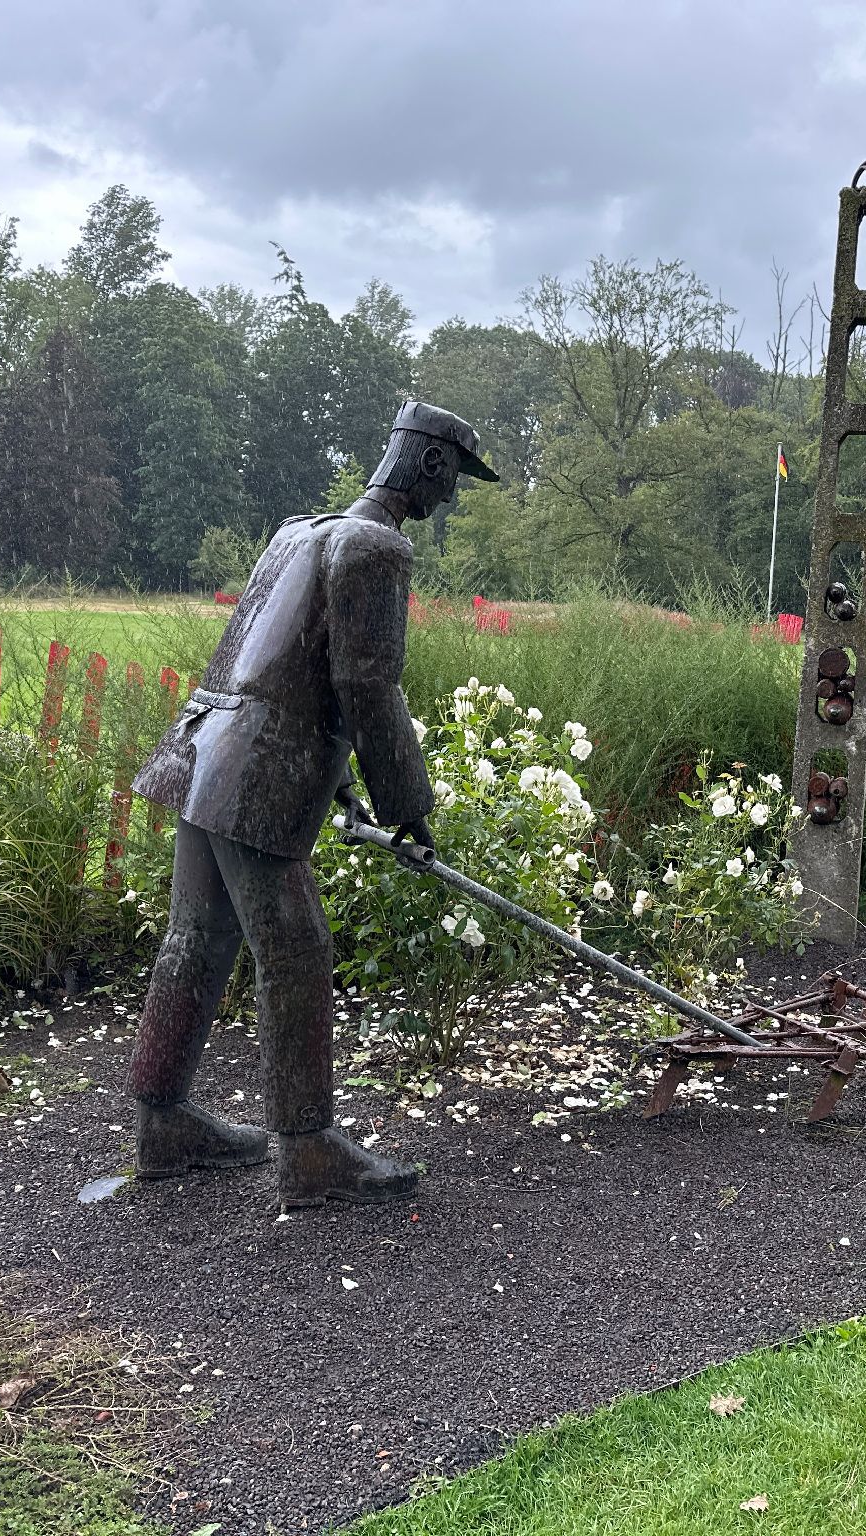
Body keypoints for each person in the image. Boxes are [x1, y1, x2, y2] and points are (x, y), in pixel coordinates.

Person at [127, 402, 499, 1208]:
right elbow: (367, 685)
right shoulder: (377, 547)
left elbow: (275, 666)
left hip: (204, 752)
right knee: (296, 950)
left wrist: (341, 785)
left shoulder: (299, 530)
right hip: (254, 776)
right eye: (455, 480)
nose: (451, 499)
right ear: (430, 463)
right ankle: (307, 1150)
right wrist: (408, 805)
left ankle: (162, 1122)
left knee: (197, 936)